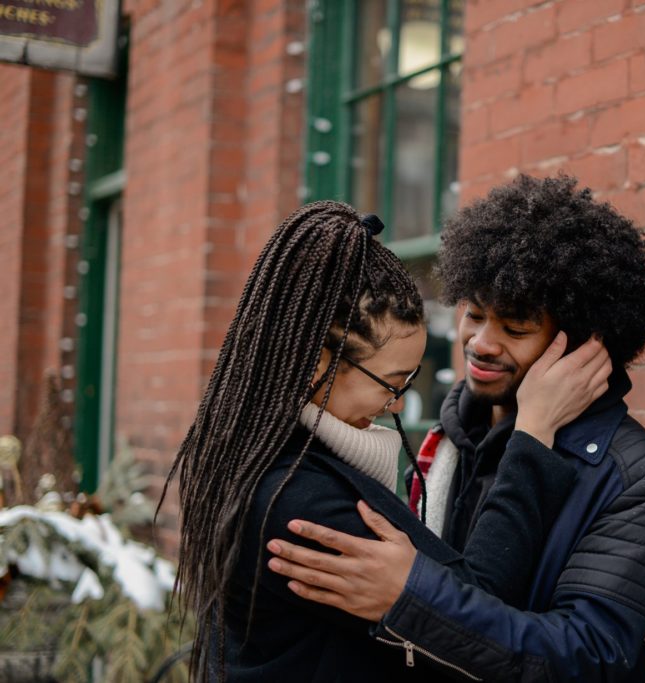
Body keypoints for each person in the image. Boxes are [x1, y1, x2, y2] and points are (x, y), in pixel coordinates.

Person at [158, 200, 614, 681]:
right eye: (391, 382)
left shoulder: (258, 451)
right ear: (316, 363)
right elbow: (478, 605)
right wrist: (534, 432)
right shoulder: (301, 499)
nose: (397, 405)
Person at [267, 175, 645, 681]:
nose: (480, 343)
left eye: (515, 328)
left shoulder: (635, 476)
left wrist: (412, 596)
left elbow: (590, 658)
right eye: (474, 314)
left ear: (579, 344)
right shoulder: (447, 436)